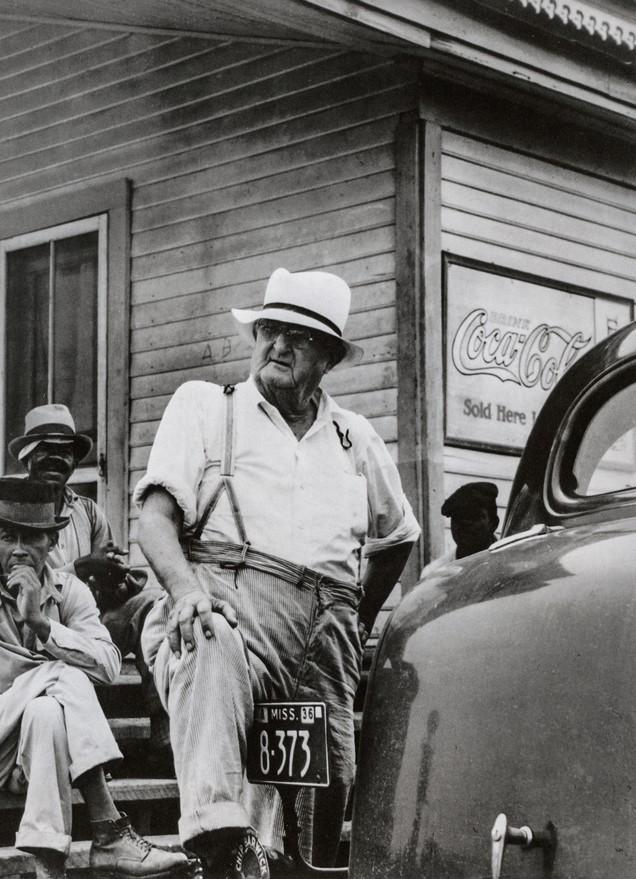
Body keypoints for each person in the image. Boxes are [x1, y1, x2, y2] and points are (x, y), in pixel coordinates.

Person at [135, 268, 420, 874]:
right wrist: (185, 591)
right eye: (269, 330)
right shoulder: (207, 406)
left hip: (325, 643)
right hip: (228, 612)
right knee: (209, 639)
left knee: (320, 814)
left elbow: (399, 537)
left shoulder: (354, 438)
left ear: (330, 357)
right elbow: (154, 521)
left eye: (300, 337)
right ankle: (216, 841)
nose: (279, 345)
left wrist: (358, 621)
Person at [0, 479, 192, 879]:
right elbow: (5, 675)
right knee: (62, 675)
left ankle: (48, 867)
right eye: (8, 537)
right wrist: (51, 639)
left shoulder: (68, 590)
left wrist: (40, 623)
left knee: (47, 712)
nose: (18, 549)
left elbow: (108, 665)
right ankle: (109, 829)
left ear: (52, 542)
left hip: (34, 750)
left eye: (32, 538)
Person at [0, 404, 171, 771]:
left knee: (152, 605)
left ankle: (164, 727)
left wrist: (117, 581)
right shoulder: (6, 512)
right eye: (46, 450)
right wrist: (81, 568)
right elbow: (6, 584)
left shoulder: (88, 511)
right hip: (29, 632)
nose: (57, 458)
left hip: (85, 622)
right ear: (27, 457)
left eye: (65, 452)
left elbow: (102, 576)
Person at [419, 481, 500, 579]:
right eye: (458, 517)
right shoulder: (435, 574)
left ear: (493, 523)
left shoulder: (509, 563)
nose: (465, 523)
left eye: (473, 516)